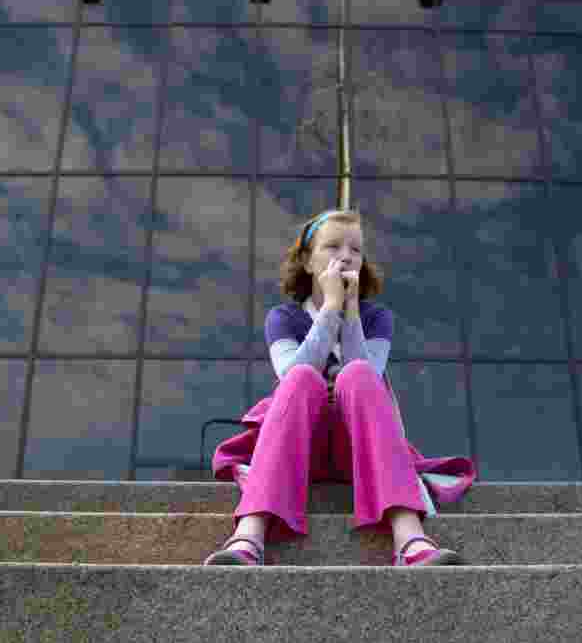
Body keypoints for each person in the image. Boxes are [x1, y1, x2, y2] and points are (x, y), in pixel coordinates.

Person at [204, 209, 476, 567]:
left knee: (359, 373)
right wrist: (330, 306)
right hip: (301, 450)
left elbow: (368, 376)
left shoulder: (377, 318)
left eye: (355, 250)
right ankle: (249, 536)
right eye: (332, 246)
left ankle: (410, 538)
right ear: (306, 260)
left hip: (358, 450)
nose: (346, 256)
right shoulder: (283, 318)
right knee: (303, 377)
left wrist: (349, 312)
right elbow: (291, 374)